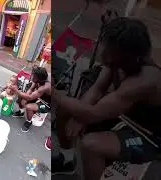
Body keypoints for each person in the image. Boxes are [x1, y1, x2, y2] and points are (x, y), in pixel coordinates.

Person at [51, 17, 161, 180]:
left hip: (148, 135)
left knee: (92, 145)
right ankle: (67, 161)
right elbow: (98, 89)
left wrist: (54, 93)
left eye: (106, 46)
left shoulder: (143, 80)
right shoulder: (118, 62)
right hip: (122, 115)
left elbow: (93, 112)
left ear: (121, 53)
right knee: (67, 110)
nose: (100, 47)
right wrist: (80, 116)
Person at [10, 67, 51, 132]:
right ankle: (21, 112)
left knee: (28, 107)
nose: (31, 77)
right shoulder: (37, 81)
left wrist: (17, 91)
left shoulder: (44, 87)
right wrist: (25, 96)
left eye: (33, 76)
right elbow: (31, 89)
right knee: (22, 96)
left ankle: (29, 122)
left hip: (46, 104)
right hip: (38, 97)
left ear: (39, 78)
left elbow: (29, 97)